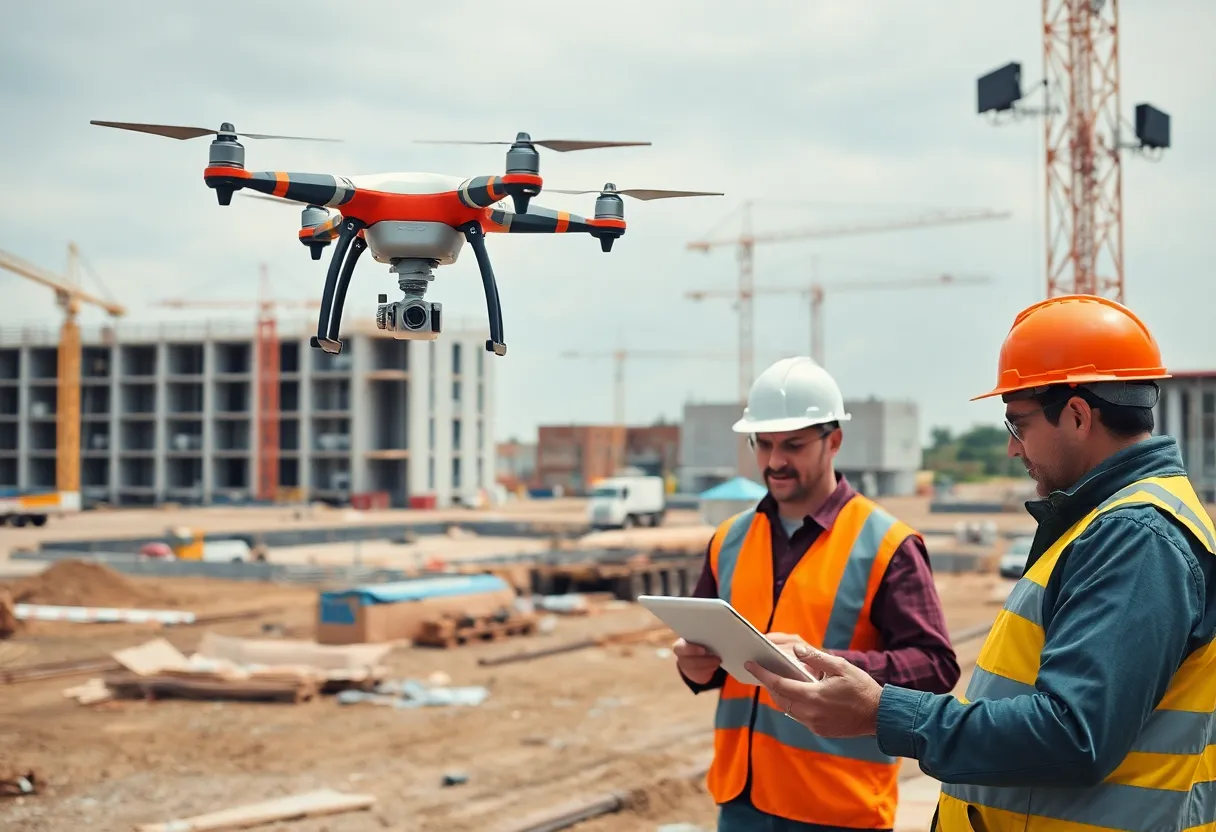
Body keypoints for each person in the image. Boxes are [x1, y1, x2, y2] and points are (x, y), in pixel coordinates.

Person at [745, 295, 1216, 832]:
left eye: (1018, 425)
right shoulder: (1110, 523)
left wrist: (882, 712)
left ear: (1078, 416)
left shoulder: (1135, 537)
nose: (1013, 449)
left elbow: (1073, 735)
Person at [674, 356, 960, 831]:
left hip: (838, 805)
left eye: (793, 445)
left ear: (834, 441)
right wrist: (694, 667)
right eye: (764, 444)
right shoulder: (728, 539)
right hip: (742, 800)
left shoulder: (887, 544)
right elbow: (712, 650)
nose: (775, 461)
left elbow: (936, 666)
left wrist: (825, 663)